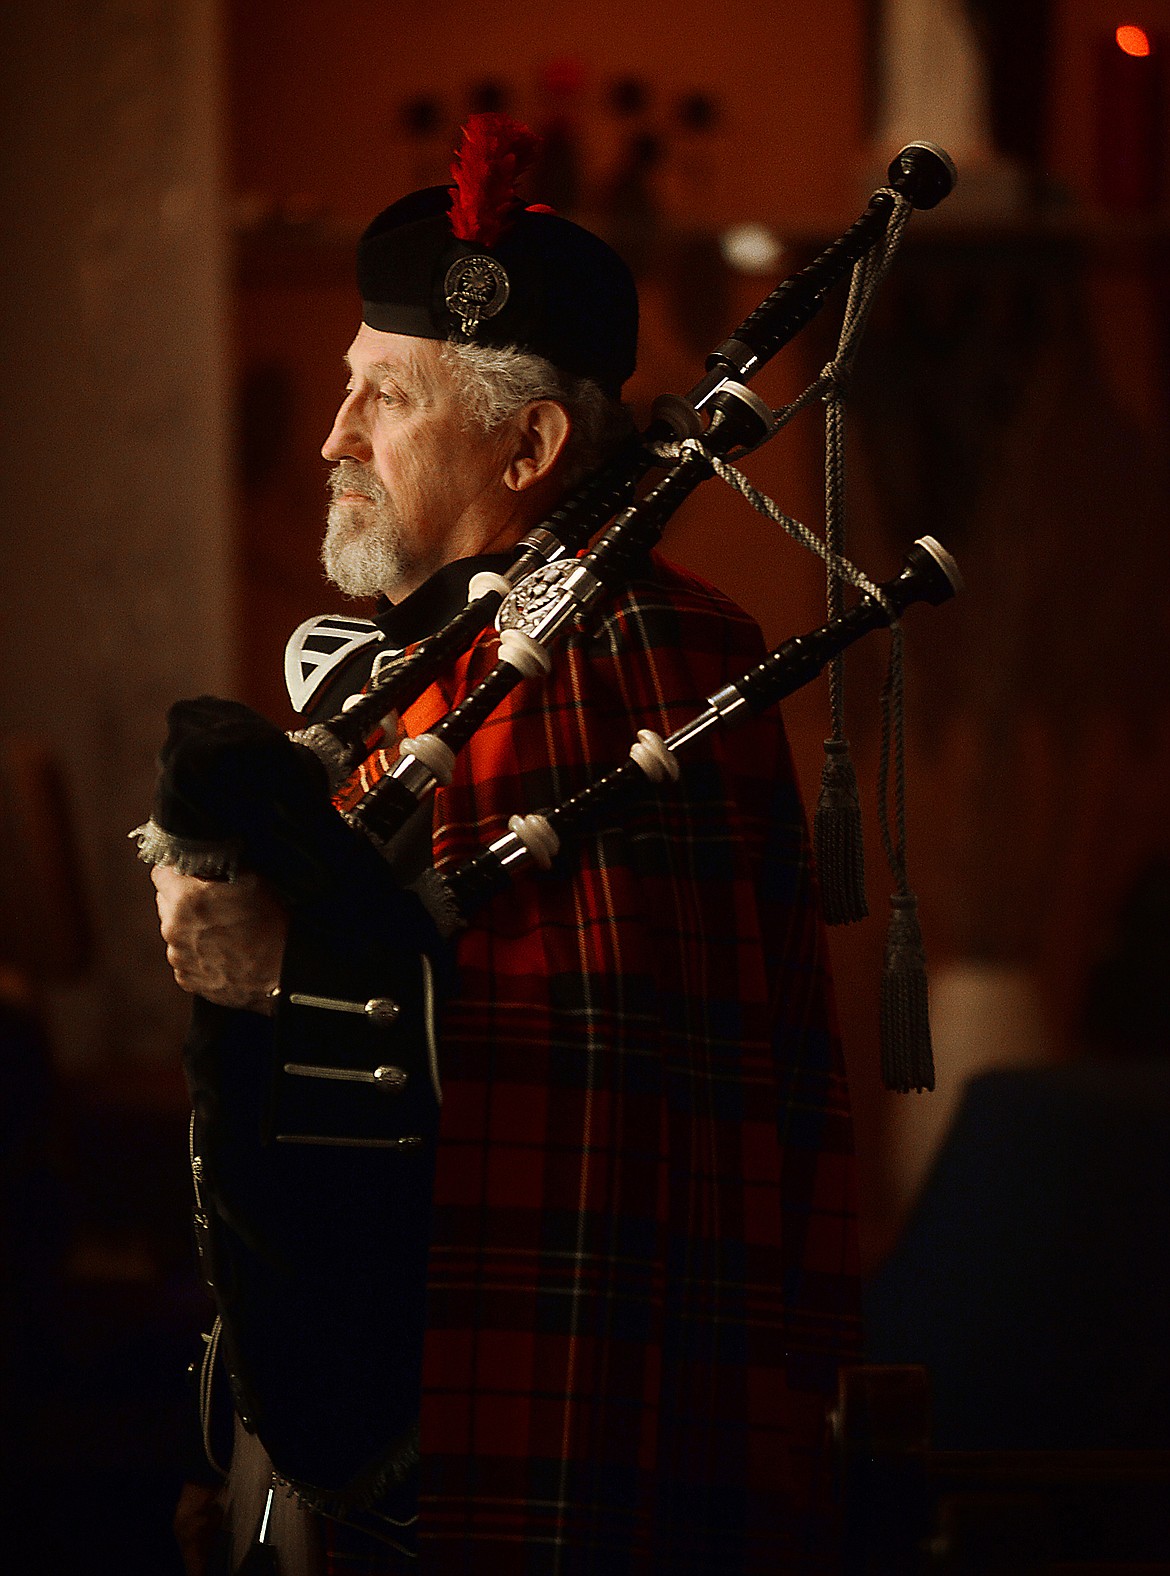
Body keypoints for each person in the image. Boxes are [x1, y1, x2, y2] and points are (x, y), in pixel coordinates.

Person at [152, 116, 858, 1575]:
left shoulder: (636, 654)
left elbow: (588, 1083)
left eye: (384, 400)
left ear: (532, 444)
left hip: (530, 1435)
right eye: (347, 389)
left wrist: (282, 974)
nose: (334, 437)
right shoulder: (423, 657)